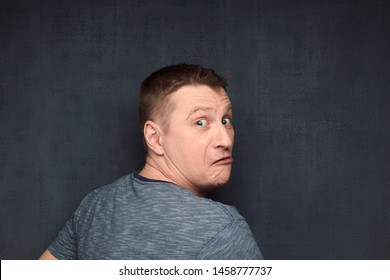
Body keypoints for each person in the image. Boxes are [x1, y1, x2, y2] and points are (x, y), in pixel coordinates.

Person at [39, 63, 263, 260]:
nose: (225, 139)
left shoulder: (95, 204)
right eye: (201, 122)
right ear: (155, 138)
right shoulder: (222, 229)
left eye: (226, 120)